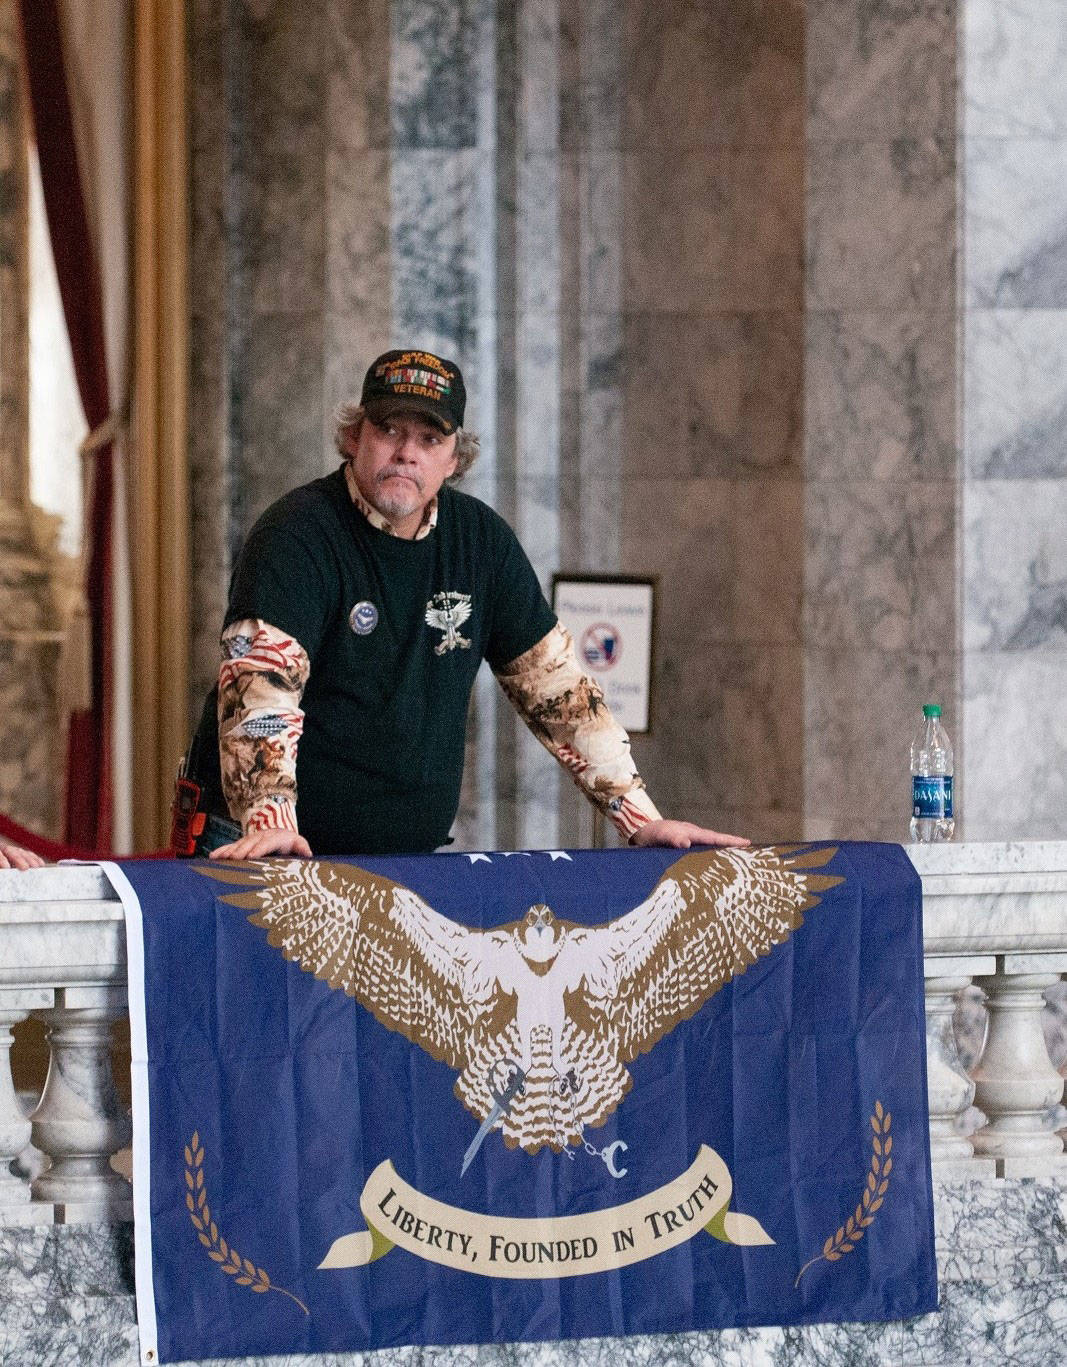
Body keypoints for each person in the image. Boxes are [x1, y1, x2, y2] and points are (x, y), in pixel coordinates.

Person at [181, 348, 748, 861]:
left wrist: (639, 819)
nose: (407, 453)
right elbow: (259, 690)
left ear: (455, 459)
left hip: (400, 860)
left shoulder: (481, 544)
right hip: (262, 843)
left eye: (430, 440)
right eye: (388, 430)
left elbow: (559, 694)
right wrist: (269, 820)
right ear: (354, 438)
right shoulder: (298, 534)